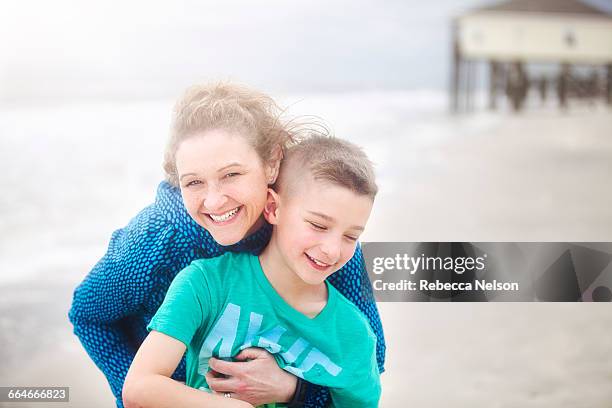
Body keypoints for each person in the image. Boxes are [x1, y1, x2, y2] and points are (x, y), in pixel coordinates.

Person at [68, 83, 385, 408]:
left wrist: (296, 391)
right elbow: (87, 312)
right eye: (193, 181)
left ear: (272, 162)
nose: (215, 201)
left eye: (232, 174)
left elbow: (368, 360)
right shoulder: (161, 236)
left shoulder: (316, 231)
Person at [123, 135, 381, 408]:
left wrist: (295, 391)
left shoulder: (356, 335)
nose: (332, 249)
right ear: (273, 207)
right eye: (318, 225)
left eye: (351, 236)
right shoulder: (206, 285)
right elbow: (139, 388)